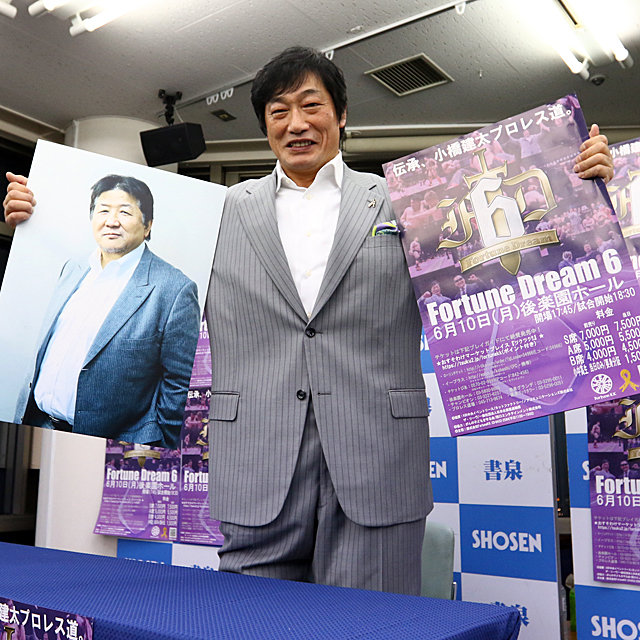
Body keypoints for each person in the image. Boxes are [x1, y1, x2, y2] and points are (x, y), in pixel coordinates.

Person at [4, 46, 615, 595]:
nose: (295, 123)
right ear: (265, 126)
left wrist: (581, 187)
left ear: (341, 114)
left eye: (311, 105)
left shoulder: (408, 205)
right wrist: (40, 219)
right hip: (256, 461)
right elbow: (122, 262)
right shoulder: (217, 212)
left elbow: (518, 255)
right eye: (278, 111)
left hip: (377, 459)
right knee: (255, 626)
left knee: (371, 628)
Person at [6, 174, 200, 449]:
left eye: (125, 212)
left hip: (112, 447)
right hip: (35, 427)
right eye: (103, 210)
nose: (112, 221)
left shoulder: (174, 289)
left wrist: (158, 450)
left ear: (148, 226)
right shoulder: (73, 268)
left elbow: (180, 384)